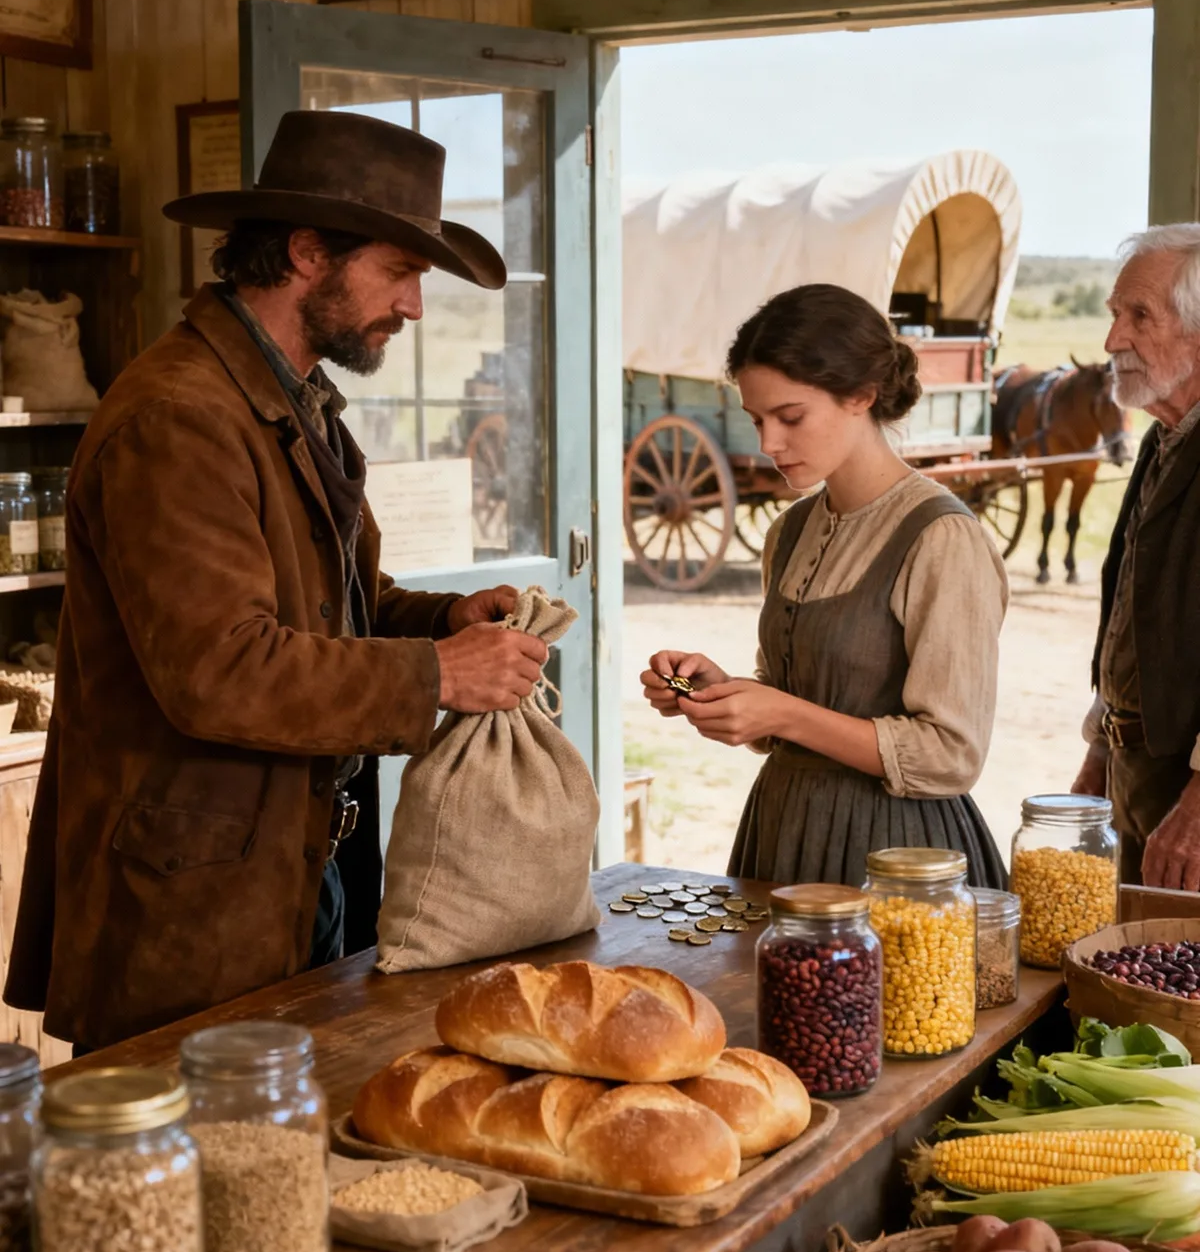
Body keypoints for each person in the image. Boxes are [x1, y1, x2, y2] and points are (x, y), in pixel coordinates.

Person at [3, 110, 549, 1051]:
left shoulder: (292, 402)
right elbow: (221, 668)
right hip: (189, 898)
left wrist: (444, 619)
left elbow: (339, 610)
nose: (415, 306)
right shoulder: (178, 420)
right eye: (402, 270)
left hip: (292, 869)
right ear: (306, 252)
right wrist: (439, 676)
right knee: (193, 1178)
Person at [641, 283, 1009, 888]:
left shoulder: (941, 538)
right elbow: (792, 698)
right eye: (756, 420)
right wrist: (728, 694)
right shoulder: (789, 532)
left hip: (897, 860)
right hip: (783, 830)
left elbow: (951, 755)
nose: (768, 444)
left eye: (790, 418)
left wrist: (781, 714)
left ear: (862, 396)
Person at [1072, 224, 1200, 890]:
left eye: (1139, 316)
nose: (1112, 340)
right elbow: (1133, 615)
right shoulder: (1165, 441)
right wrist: (1101, 752)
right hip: (1140, 781)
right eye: (1115, 315)